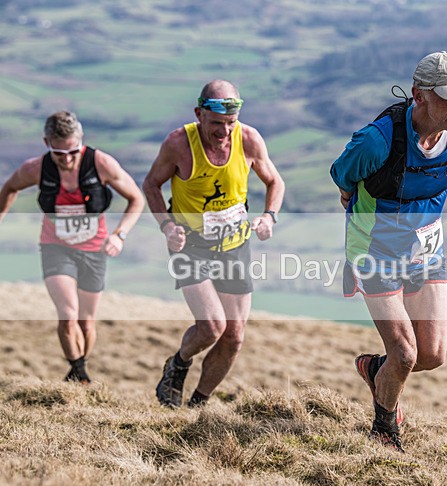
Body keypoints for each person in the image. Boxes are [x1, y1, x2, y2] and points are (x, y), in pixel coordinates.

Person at [330, 51, 447, 451]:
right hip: (374, 251)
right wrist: (351, 195)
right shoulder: (377, 141)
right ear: (419, 95)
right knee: (405, 353)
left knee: (430, 355)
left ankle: (375, 369)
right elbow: (341, 174)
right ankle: (384, 432)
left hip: (427, 252)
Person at [143, 79, 285, 409]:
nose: (224, 133)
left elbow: (274, 180)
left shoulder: (248, 139)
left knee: (234, 337)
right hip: (190, 244)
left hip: (234, 245)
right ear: (199, 114)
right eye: (216, 124)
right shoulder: (178, 143)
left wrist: (269, 217)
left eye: (230, 124)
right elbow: (151, 184)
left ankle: (198, 405)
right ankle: (178, 363)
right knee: (211, 327)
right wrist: (166, 225)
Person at [0, 110, 144, 383]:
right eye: (58, 153)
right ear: (47, 144)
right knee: (68, 315)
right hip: (56, 247)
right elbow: (8, 188)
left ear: (81, 141)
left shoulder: (101, 164)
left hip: (94, 249)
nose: (66, 159)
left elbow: (136, 199)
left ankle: (78, 372)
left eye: (72, 152)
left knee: (86, 322)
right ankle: (80, 373)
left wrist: (119, 235)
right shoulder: (36, 168)